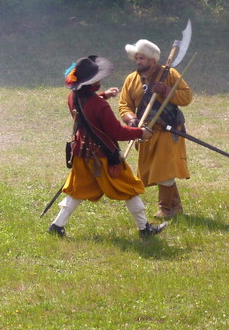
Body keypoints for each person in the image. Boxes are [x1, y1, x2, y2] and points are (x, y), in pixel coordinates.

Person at [48, 55, 168, 239]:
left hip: (81, 154)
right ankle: (145, 229)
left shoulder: (72, 97)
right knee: (130, 188)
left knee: (77, 190)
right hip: (103, 157)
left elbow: (87, 105)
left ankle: (57, 226)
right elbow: (117, 132)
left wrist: (104, 95)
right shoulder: (99, 106)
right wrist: (140, 133)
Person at [118, 39, 193, 219]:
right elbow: (124, 105)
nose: (138, 62)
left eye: (142, 58)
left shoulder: (170, 74)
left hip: (168, 131)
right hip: (146, 132)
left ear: (152, 60)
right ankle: (176, 207)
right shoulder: (131, 79)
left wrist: (166, 90)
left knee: (163, 170)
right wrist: (131, 119)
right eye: (136, 58)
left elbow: (187, 97)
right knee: (154, 170)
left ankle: (165, 209)